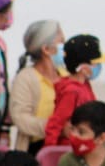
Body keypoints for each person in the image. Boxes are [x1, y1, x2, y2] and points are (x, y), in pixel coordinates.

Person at [44, 34, 105, 147]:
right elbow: (56, 122)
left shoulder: (85, 84)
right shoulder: (71, 91)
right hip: (70, 148)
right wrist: (50, 150)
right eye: (95, 63)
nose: (99, 66)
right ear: (83, 68)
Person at [9, 20, 65, 153]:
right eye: (62, 43)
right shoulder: (25, 78)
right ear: (46, 49)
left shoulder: (66, 75)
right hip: (36, 149)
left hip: (67, 147)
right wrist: (55, 127)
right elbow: (20, 118)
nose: (66, 48)